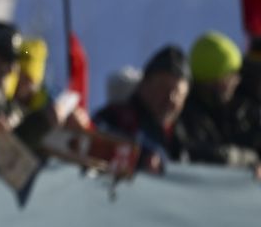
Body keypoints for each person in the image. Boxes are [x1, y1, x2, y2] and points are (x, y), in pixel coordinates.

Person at [94, 45, 192, 174]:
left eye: (178, 93)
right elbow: (92, 141)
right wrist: (140, 158)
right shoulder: (116, 118)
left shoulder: (185, 132)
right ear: (144, 85)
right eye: (163, 88)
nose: (171, 98)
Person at [178, 31, 259, 168]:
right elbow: (192, 153)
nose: (237, 80)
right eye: (230, 75)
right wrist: (250, 159)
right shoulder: (186, 117)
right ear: (212, 82)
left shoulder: (245, 109)